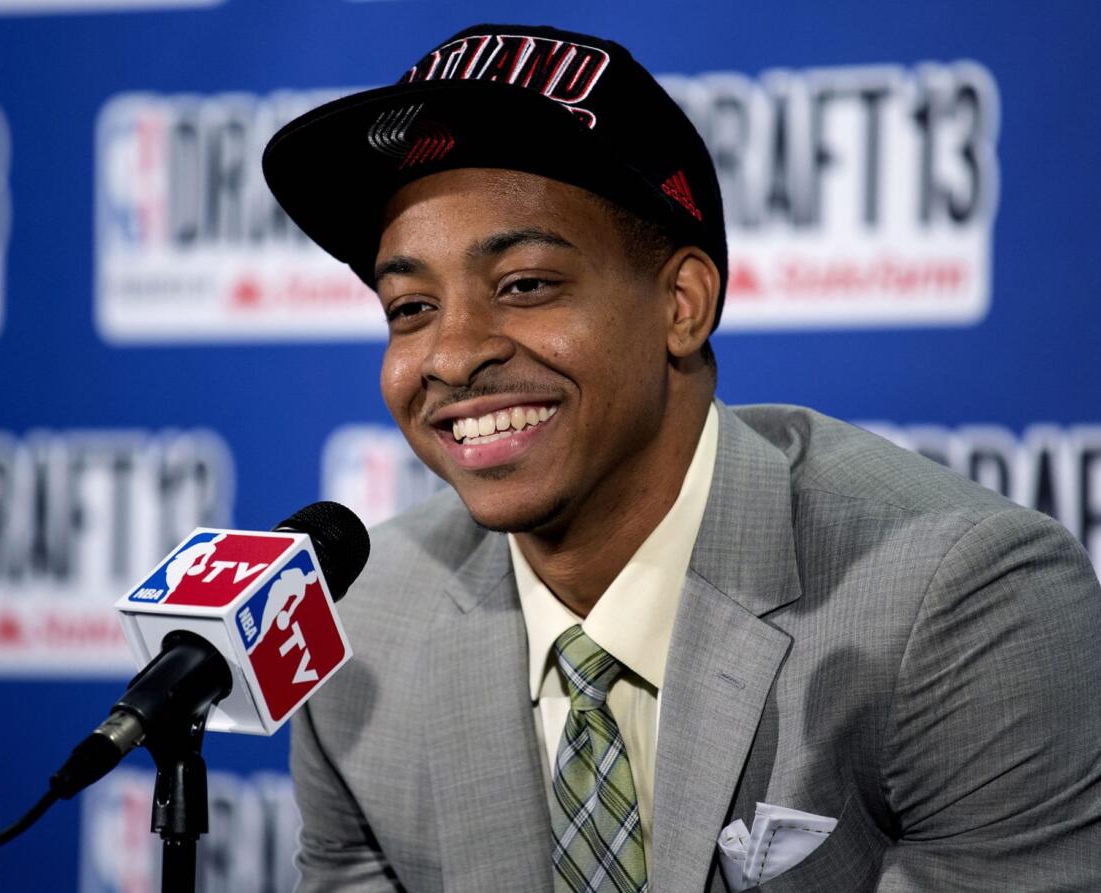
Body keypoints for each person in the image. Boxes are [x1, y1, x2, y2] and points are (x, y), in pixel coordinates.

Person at [262, 23, 1101, 892]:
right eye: (409, 307)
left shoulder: (960, 600)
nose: (449, 353)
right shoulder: (361, 633)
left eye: (524, 286)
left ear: (683, 304)